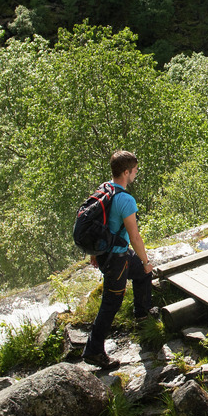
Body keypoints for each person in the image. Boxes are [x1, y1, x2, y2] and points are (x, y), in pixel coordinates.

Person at [82, 150, 156, 370]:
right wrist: (145, 260)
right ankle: (93, 351)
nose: (135, 174)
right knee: (110, 304)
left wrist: (94, 252)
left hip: (107, 253)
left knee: (144, 275)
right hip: (117, 258)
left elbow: (97, 222)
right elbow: (134, 236)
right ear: (126, 172)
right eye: (134, 171)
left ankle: (142, 317)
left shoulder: (105, 189)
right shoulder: (125, 199)